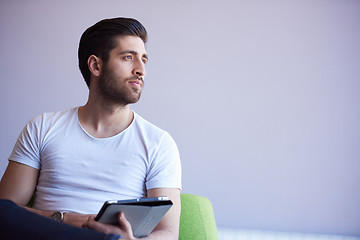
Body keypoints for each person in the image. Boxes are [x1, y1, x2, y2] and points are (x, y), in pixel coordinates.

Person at [0, 17, 182, 240]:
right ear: (96, 65)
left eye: (144, 60)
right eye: (128, 57)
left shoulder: (158, 142)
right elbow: (5, 211)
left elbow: (168, 233)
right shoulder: (42, 127)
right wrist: (65, 219)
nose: (141, 70)